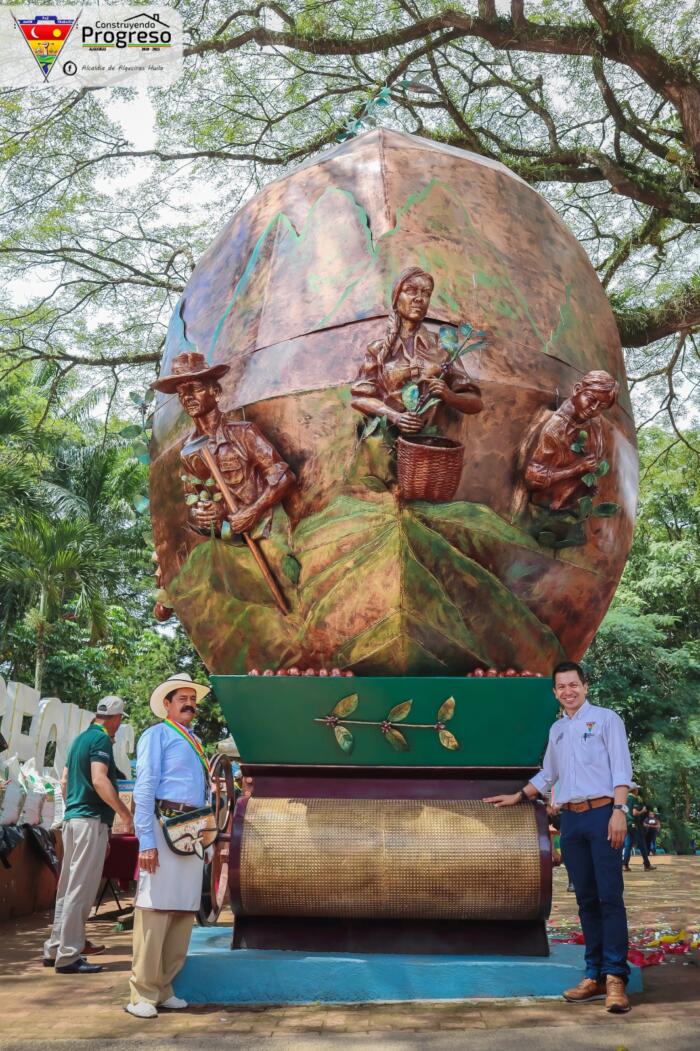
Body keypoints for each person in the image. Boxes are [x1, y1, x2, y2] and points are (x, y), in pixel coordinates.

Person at [484, 660, 634, 1013]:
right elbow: (548, 775)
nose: (568, 691)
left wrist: (619, 811)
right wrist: (519, 796)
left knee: (609, 898)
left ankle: (616, 979)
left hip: (602, 815)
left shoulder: (606, 719)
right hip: (572, 823)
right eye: (561, 687)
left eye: (574, 685)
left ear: (585, 686)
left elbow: (622, 768)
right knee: (585, 899)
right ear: (555, 692)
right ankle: (594, 974)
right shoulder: (558, 730)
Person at [127, 672, 211, 1019]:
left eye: (192, 699)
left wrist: (207, 832)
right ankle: (142, 994)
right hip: (164, 827)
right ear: (167, 705)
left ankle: (164, 987)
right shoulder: (157, 735)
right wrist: (146, 842)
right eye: (182, 699)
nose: (190, 704)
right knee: (155, 907)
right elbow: (144, 788)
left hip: (192, 830)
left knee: (183, 909)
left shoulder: (195, 740)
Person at [152, 351, 295, 537]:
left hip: (267, 529)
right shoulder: (188, 451)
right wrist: (206, 512)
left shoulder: (244, 433)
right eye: (181, 393)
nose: (187, 398)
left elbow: (285, 477)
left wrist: (252, 512)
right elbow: (195, 499)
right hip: (232, 539)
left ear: (216, 392)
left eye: (195, 389)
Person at [43, 696, 134, 973]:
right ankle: (69, 956)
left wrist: (75, 806)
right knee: (81, 890)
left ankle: (55, 948)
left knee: (68, 888)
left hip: (73, 821)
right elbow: (99, 779)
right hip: (89, 821)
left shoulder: (79, 740)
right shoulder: (101, 740)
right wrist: (124, 813)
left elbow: (64, 781)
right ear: (116, 719)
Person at [350, 266, 483, 433]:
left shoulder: (443, 347)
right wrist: (394, 416)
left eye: (426, 293)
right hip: (388, 448)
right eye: (410, 291)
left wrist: (449, 395)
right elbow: (360, 397)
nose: (419, 298)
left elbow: (475, 403)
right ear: (396, 298)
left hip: (432, 446)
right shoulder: (377, 350)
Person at [524, 370, 619, 512]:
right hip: (545, 505)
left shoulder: (595, 423)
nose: (593, 409)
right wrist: (576, 469)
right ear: (577, 390)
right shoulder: (555, 430)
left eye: (601, 407)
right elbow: (533, 479)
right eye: (591, 399)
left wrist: (586, 485)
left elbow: (592, 461)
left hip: (570, 505)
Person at [622, 784, 656, 871]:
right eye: (637, 789)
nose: (638, 790)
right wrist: (643, 811)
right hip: (634, 824)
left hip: (627, 823)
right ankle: (647, 865)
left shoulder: (624, 798)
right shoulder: (634, 799)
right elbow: (634, 813)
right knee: (642, 844)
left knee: (628, 845)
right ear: (635, 790)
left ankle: (625, 865)